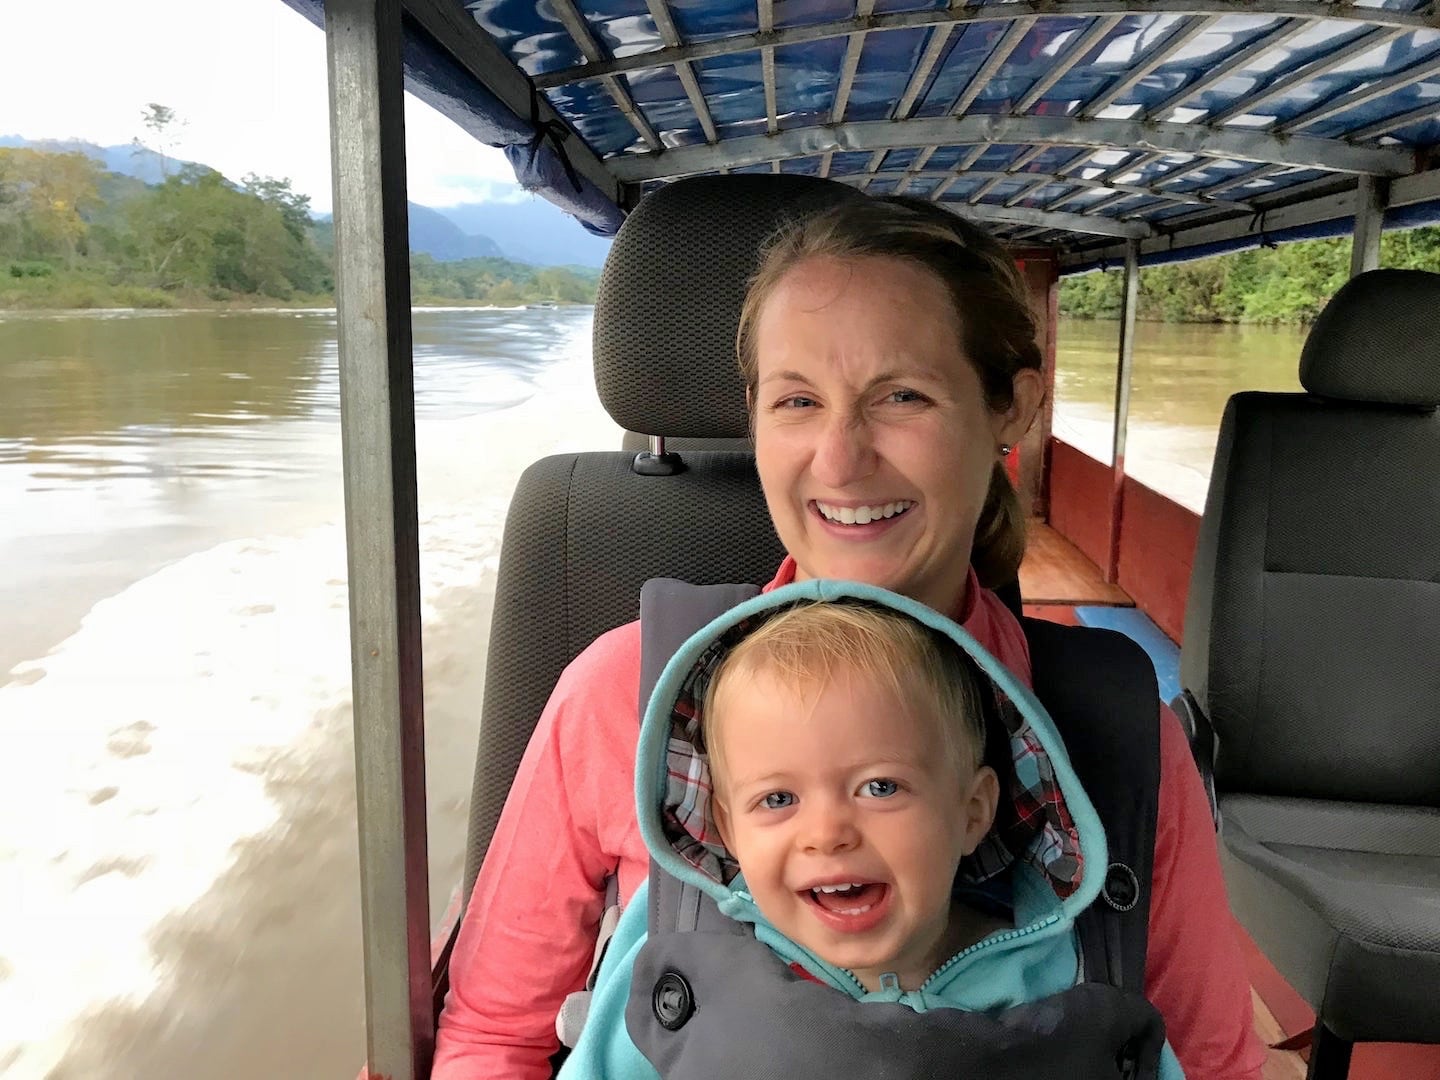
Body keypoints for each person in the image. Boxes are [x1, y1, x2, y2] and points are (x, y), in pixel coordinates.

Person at [432, 194, 1266, 1080]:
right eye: (797, 401)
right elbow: (493, 1038)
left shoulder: (1118, 740)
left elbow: (1214, 1066)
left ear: (1012, 410)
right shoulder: (622, 694)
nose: (839, 459)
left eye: (900, 396)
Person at [557, 586, 1185, 1079]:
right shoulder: (684, 960)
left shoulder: (1060, 972)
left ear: (972, 812)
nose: (827, 833)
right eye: (778, 798)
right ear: (727, 828)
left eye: (880, 788)